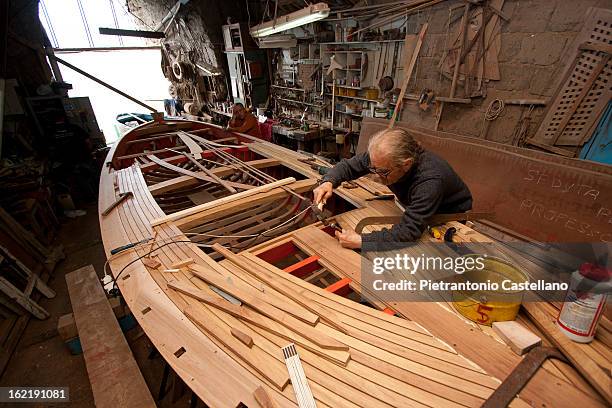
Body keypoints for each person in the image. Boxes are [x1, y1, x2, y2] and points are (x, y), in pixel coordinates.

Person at [312, 128, 472, 249]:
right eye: (373, 168)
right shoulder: (383, 158)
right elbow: (349, 166)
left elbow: (409, 232)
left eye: (382, 172)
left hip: (447, 216)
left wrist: (362, 241)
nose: (376, 175)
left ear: (406, 164)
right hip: (418, 206)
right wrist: (329, 182)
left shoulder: (430, 180)